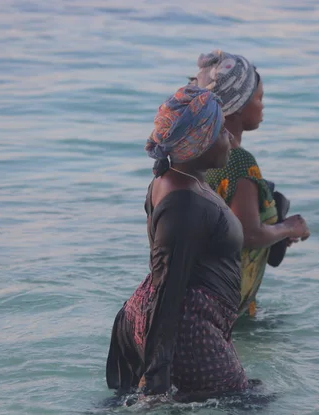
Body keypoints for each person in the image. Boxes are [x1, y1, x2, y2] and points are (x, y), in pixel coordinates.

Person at [106, 84, 250, 401]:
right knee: (245, 404)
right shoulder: (184, 203)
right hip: (187, 330)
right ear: (201, 142)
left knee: (249, 397)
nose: (232, 138)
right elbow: (167, 288)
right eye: (222, 131)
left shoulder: (179, 181)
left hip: (192, 323)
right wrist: (155, 380)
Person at [191, 50, 310, 318]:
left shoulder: (198, 156)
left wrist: (276, 232)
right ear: (238, 106)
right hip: (227, 307)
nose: (263, 105)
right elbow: (247, 234)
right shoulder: (240, 162)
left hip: (202, 299)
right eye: (259, 98)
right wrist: (289, 227)